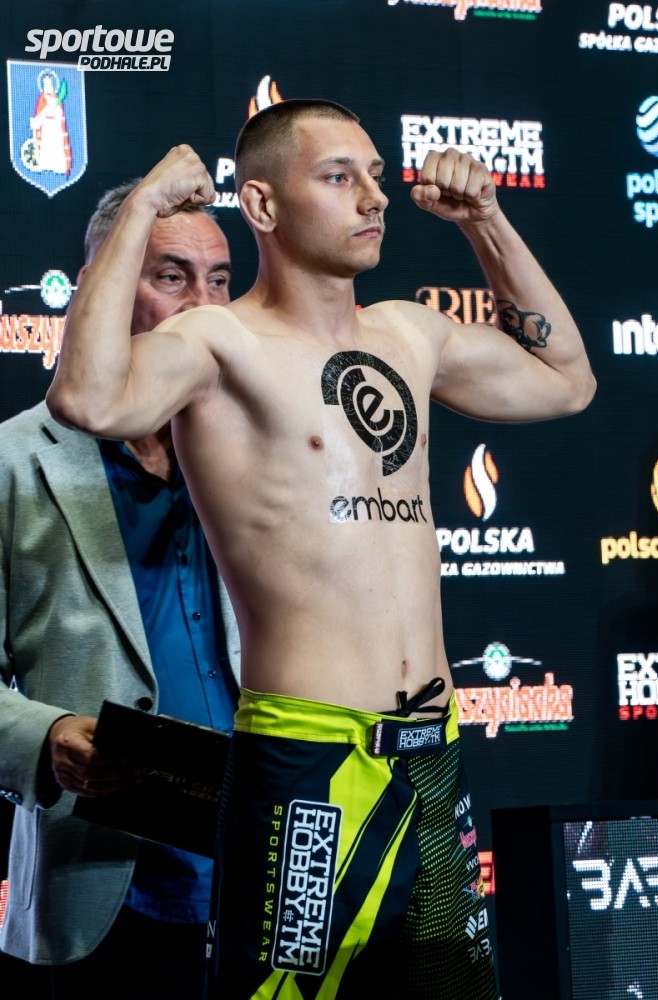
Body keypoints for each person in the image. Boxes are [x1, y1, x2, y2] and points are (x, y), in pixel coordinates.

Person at [46, 99, 596, 999]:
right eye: (338, 178)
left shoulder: (408, 333)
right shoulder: (217, 342)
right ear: (261, 205)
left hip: (430, 752)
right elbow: (89, 399)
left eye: (374, 176)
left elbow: (564, 381)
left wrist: (485, 221)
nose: (372, 197)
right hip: (307, 759)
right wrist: (142, 207)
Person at [0, 182, 240, 999]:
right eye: (172, 277)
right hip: (99, 892)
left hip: (267, 879)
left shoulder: (263, 454)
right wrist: (45, 736)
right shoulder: (14, 463)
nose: (203, 307)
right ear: (100, 287)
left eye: (219, 280)